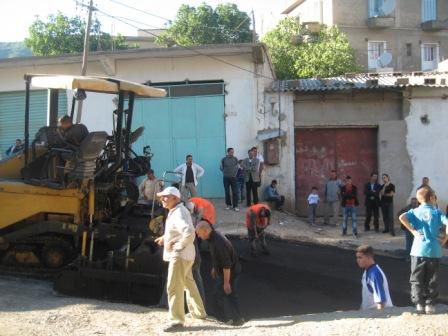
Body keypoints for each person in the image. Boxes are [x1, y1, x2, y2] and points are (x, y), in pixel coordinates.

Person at [154, 187, 206, 332]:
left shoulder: (178, 213)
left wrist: (178, 245)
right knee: (189, 284)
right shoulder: (177, 211)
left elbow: (189, 232)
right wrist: (165, 238)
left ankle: (177, 320)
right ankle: (199, 312)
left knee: (174, 286)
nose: (162, 199)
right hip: (187, 255)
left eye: (166, 197)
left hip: (180, 256)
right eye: (162, 197)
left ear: (175, 199)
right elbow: (179, 230)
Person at [399, 186, 448, 314]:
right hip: (434, 251)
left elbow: (401, 217)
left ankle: (419, 304)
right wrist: (445, 238)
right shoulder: (437, 212)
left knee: (416, 278)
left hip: (417, 250)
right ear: (432, 198)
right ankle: (430, 304)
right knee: (432, 278)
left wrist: (413, 231)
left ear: (419, 199)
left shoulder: (414, 211)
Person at [195, 221, 244, 326]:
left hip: (230, 273)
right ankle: (236, 318)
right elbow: (218, 257)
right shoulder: (213, 237)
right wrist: (215, 267)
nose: (198, 236)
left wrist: (226, 282)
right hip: (228, 270)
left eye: (199, 233)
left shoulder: (218, 242)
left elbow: (227, 265)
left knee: (222, 294)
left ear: (205, 230)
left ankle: (225, 319)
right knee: (227, 294)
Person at [356, 245, 393, 310]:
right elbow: (365, 297)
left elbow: (380, 301)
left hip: (380, 313)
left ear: (369, 257)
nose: (357, 260)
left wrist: (379, 317)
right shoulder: (367, 271)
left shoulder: (374, 274)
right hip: (369, 313)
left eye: (360, 258)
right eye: (357, 258)